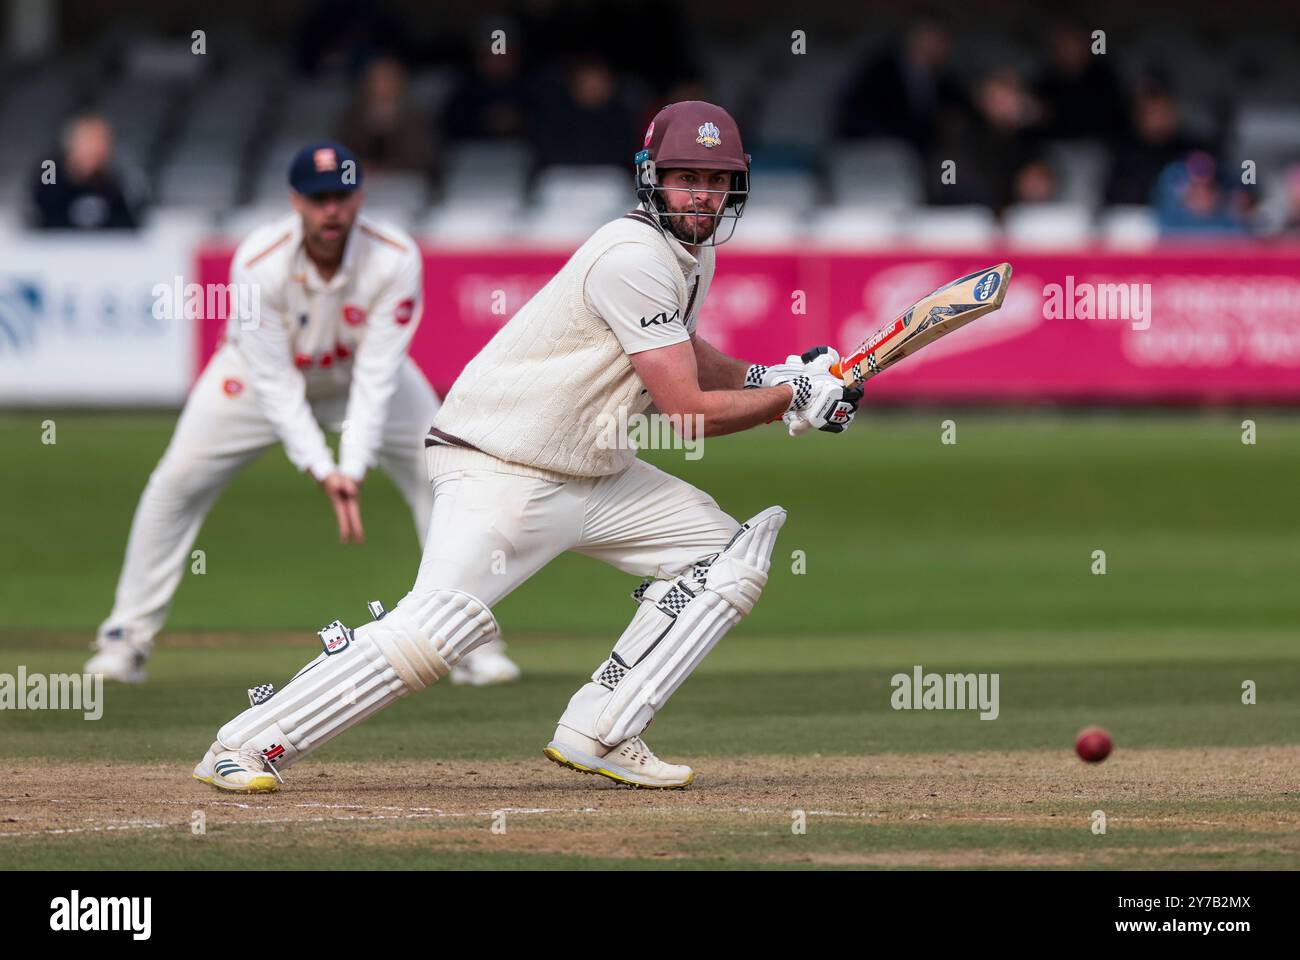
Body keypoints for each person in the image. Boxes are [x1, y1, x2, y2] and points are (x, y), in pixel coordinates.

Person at [191, 102, 863, 794]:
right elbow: (685, 408)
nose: (702, 194)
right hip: (500, 464)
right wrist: (790, 399)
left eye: (716, 180)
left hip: (592, 472)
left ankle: (600, 728)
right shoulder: (632, 255)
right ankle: (241, 744)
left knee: (724, 555)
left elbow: (680, 352)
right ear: (651, 179)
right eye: (685, 177)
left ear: (738, 184)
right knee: (437, 631)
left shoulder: (694, 255)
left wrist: (770, 376)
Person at [89, 140, 519, 688]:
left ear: (360, 196)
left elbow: (377, 376)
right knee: (175, 482)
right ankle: (125, 639)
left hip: (356, 377)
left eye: (341, 196)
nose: (331, 210)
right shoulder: (259, 263)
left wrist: (353, 466)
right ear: (295, 200)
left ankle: (470, 640)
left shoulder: (393, 256)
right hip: (255, 378)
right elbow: (275, 385)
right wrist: (323, 468)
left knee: (447, 473)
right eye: (318, 199)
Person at [32, 113, 143, 230]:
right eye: (92, 138)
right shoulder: (50, 168)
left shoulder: (114, 178)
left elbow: (127, 222)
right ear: (72, 141)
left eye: (103, 139)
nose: (99, 145)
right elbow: (43, 211)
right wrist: (76, 174)